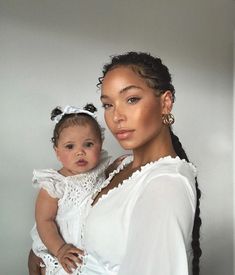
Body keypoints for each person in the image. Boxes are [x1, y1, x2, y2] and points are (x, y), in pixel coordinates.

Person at [29, 51, 202, 275]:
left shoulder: (165, 184)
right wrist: (42, 253)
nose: (116, 116)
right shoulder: (118, 167)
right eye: (108, 105)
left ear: (165, 103)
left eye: (131, 99)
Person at [30, 103, 112, 275]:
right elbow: (44, 221)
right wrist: (59, 250)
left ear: (100, 144)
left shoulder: (103, 170)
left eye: (88, 144)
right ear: (57, 152)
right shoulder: (55, 183)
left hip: (92, 253)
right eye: (70, 146)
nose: (80, 152)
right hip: (63, 251)